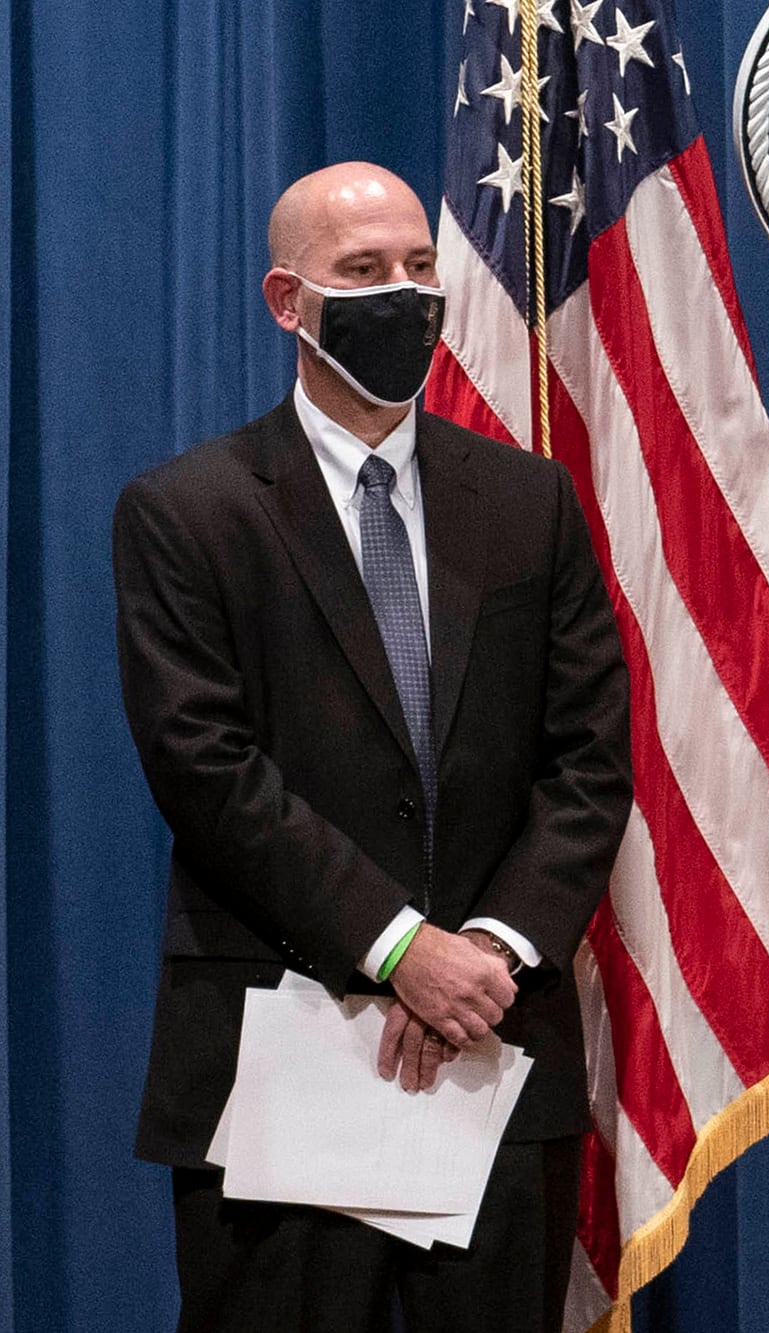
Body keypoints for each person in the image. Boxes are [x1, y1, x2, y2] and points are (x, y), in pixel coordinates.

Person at [113, 162, 633, 1331]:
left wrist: (484, 952)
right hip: (283, 1057)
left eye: (417, 267)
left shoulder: (529, 501)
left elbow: (589, 758)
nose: (403, 293)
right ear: (286, 301)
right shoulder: (186, 512)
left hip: (491, 1052)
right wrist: (400, 948)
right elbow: (205, 766)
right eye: (363, 272)